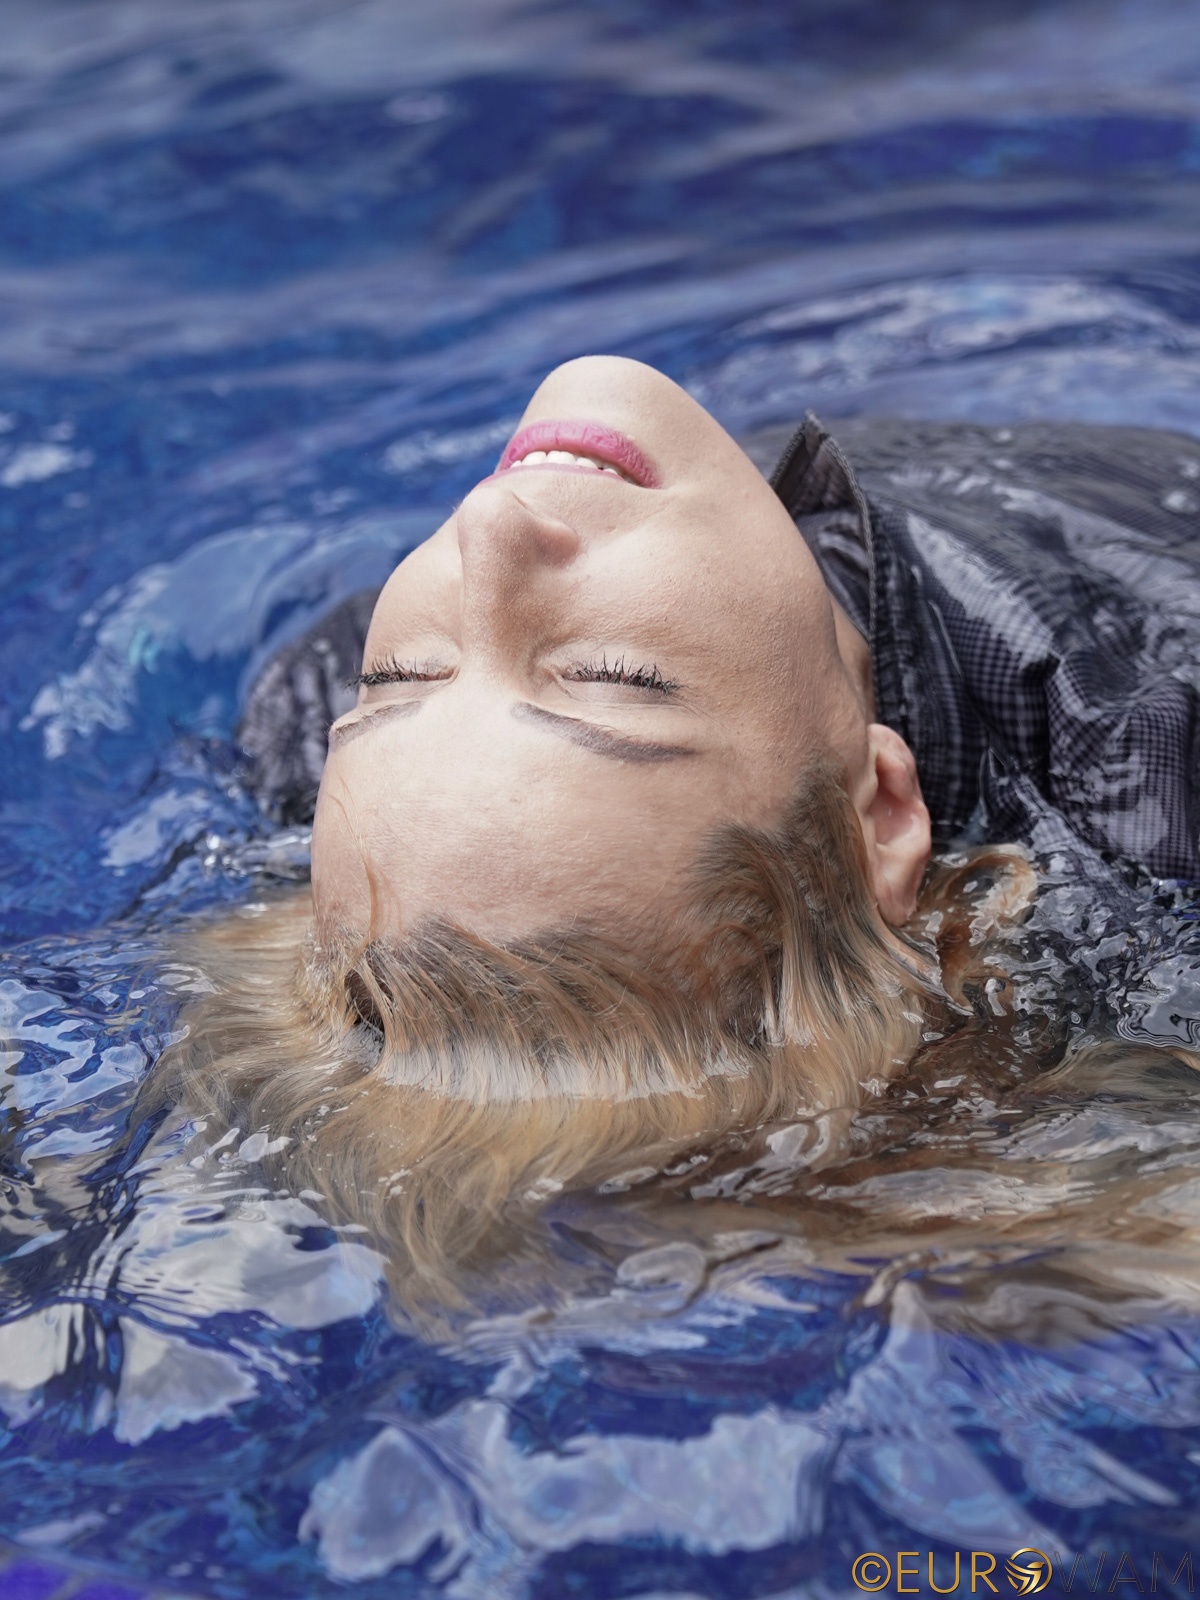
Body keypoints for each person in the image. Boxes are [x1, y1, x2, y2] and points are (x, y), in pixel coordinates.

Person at [156, 355, 1200, 1314]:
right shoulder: (1147, 754)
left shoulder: (303, 706)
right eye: (613, 676)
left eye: (400, 681)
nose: (487, 526)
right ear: (879, 812)